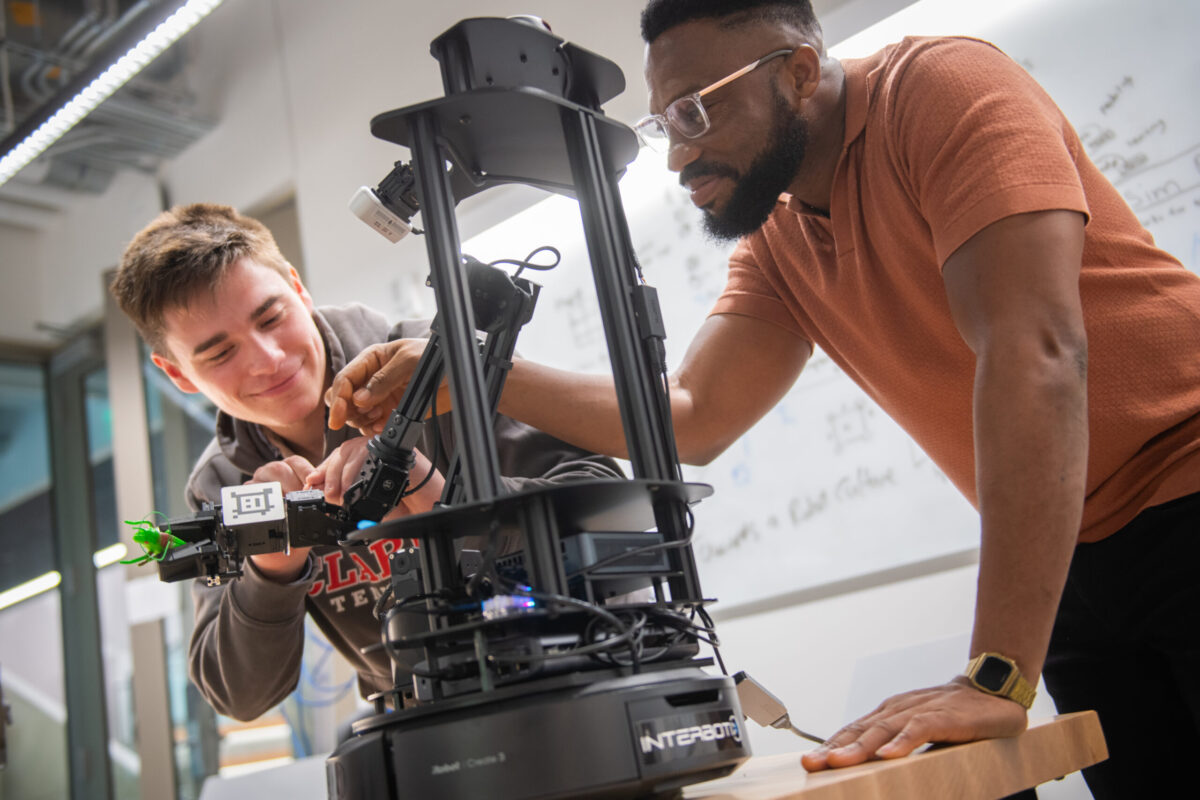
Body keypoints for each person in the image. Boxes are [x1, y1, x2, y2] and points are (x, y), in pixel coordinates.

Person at [324, 2, 1200, 796]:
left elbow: (1036, 353)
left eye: (696, 112)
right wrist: (475, 370)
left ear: (799, 72)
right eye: (663, 123)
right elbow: (693, 412)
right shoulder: (780, 237)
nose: (677, 154)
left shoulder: (941, 89)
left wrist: (995, 673)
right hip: (1073, 554)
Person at [110, 203, 624, 722]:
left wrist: (431, 492)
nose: (268, 359)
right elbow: (240, 695)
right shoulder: (222, 483)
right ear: (178, 374)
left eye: (271, 317)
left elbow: (610, 508)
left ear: (298, 288)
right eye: (220, 354)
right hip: (424, 722)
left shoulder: (434, 368)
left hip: (579, 686)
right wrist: (271, 566)